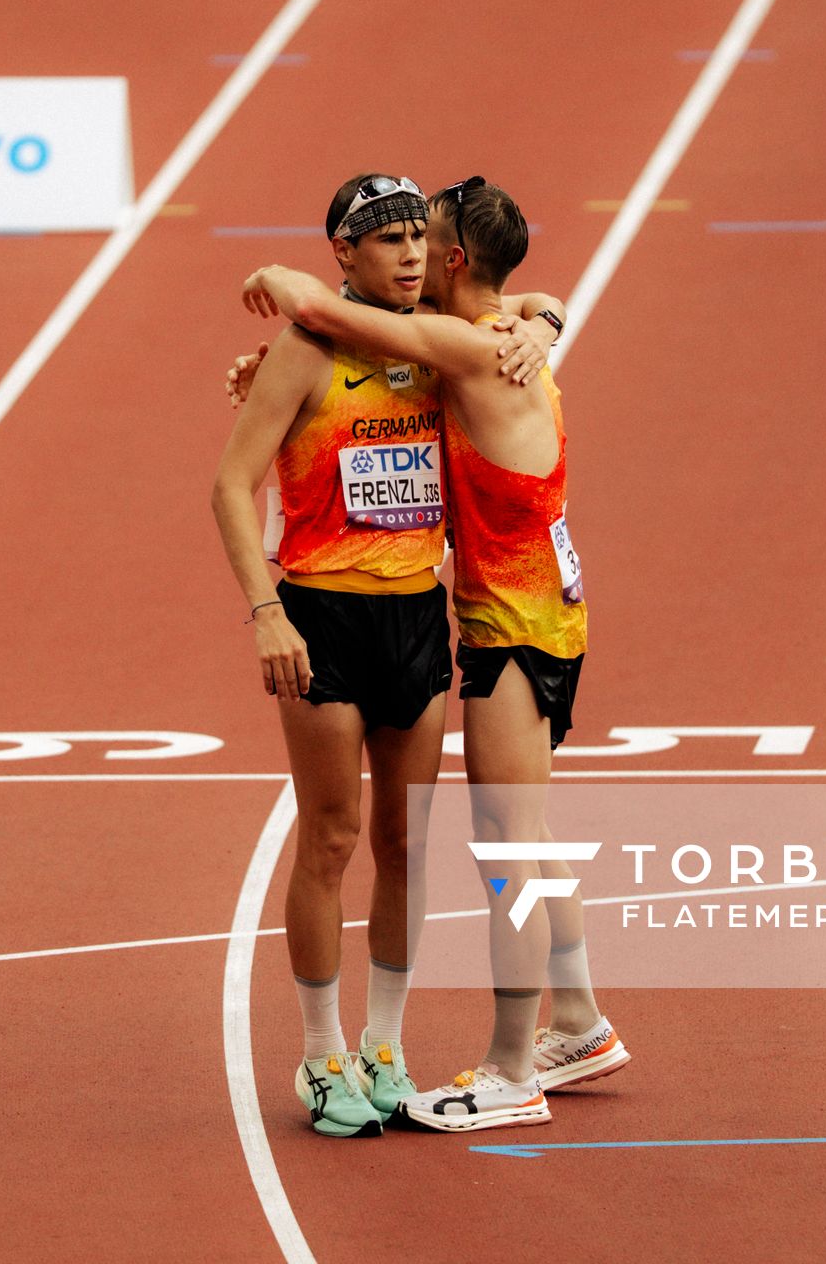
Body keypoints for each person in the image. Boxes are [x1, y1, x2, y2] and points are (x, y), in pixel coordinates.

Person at [241, 177, 628, 1135]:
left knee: (508, 844)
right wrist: (550, 311)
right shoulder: (504, 331)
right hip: (531, 611)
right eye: (397, 238)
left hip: (516, 623)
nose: (413, 254)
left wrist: (277, 272)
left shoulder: (467, 345)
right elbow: (518, 308)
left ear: (453, 259)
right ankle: (576, 1023)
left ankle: (510, 1066)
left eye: (428, 237)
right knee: (524, 834)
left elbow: (327, 311)